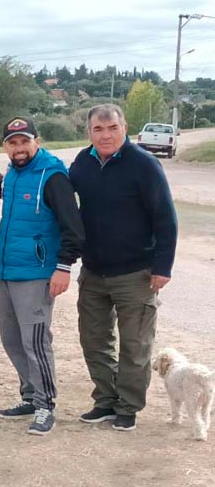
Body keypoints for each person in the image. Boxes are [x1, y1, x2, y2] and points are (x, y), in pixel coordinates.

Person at [69, 103, 177, 432]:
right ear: (89, 132)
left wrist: (163, 266)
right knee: (94, 340)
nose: (105, 135)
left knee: (135, 344)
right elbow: (59, 199)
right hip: (94, 271)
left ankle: (128, 406)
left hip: (136, 272)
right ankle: (105, 399)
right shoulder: (82, 164)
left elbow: (166, 218)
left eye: (112, 128)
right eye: (98, 129)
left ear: (125, 128)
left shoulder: (144, 164)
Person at [0, 117, 85, 435]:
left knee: (35, 341)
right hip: (6, 270)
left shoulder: (52, 175)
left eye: (24, 141)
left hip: (36, 273)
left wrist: (63, 266)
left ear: (37, 141)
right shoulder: (13, 174)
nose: (19, 148)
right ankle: (30, 396)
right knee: (11, 340)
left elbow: (73, 227)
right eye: (12, 142)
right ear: (6, 146)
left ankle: (46, 405)